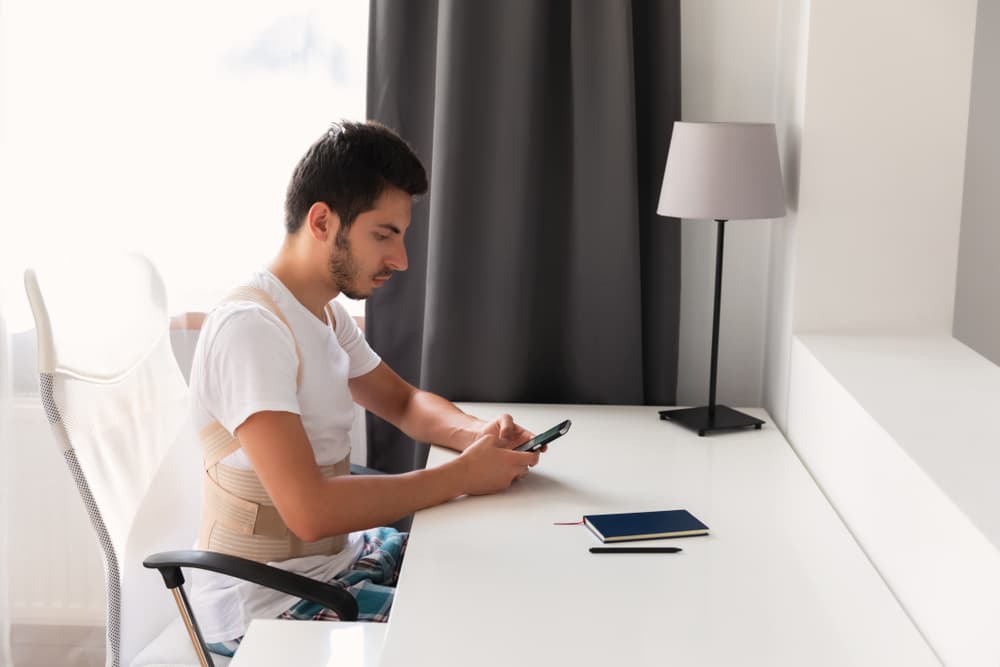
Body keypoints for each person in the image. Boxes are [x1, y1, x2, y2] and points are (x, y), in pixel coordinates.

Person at [187, 121, 542, 657]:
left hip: (339, 562)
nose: (400, 260)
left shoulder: (322, 312)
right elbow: (309, 511)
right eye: (384, 235)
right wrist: (462, 475)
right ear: (323, 221)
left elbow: (402, 402)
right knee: (478, 630)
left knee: (502, 573)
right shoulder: (253, 330)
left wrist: (479, 435)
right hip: (267, 605)